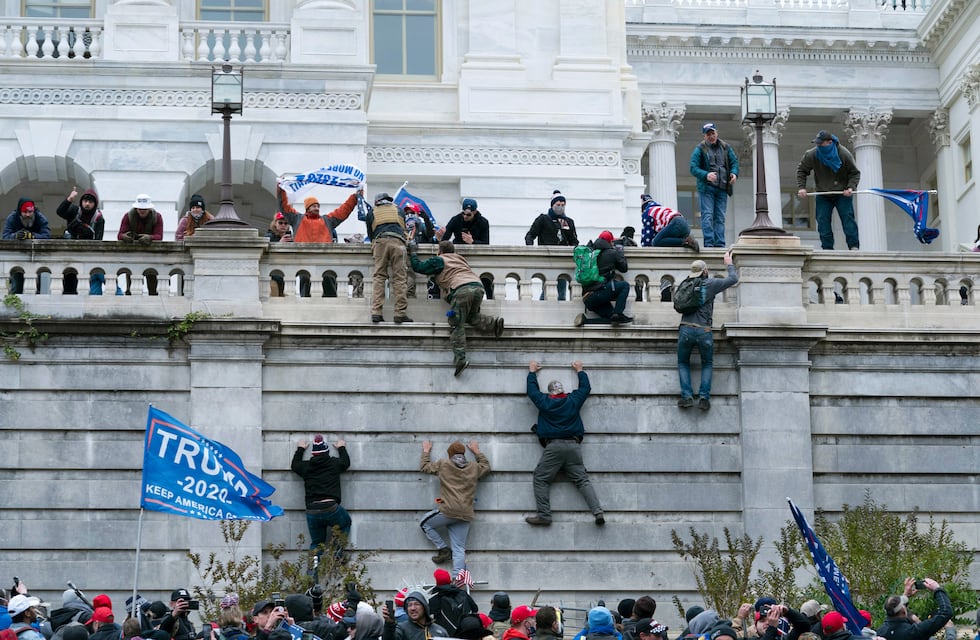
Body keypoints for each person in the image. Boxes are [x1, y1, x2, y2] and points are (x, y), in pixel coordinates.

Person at [525, 360, 604, 526]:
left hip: (553, 447)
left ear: (551, 393)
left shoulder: (545, 402)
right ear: (562, 391)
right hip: (574, 446)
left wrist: (532, 372)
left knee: (540, 478)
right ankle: (597, 512)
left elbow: (532, 392)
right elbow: (585, 389)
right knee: (582, 480)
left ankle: (545, 515)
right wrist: (580, 370)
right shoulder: (573, 400)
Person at [409, 240, 505, 375]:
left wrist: (413, 252)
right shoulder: (460, 259)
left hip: (461, 290)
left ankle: (460, 359)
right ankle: (494, 325)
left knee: (456, 322)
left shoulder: (440, 260)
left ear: (440, 251)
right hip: (478, 287)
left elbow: (419, 267)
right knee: (470, 316)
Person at [677, 251, 739, 411]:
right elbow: (733, 279)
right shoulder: (710, 284)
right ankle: (704, 398)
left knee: (683, 363)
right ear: (705, 271)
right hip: (704, 330)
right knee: (707, 363)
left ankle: (687, 397)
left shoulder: (685, 284)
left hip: (685, 328)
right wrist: (729, 263)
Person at [419, 439, 491, 573]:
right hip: (466, 514)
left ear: (449, 454)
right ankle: (458, 579)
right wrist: (476, 451)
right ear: (464, 453)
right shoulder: (474, 467)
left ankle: (443, 549)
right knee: (459, 548)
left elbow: (425, 467)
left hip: (448, 511)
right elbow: (486, 466)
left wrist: (426, 451)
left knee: (425, 523)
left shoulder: (444, 464)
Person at [277, 186, 361, 297]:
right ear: (307, 208)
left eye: (318, 206)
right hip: (304, 263)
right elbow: (284, 207)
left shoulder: (327, 220)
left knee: (330, 291)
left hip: (326, 263)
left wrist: (355, 197)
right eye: (313, 206)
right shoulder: (297, 219)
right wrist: (281, 189)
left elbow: (344, 210)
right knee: (306, 293)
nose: (317, 208)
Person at [291, 435, 352, 577]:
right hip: (331, 507)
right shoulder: (333, 463)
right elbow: (346, 463)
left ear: (313, 453)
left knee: (317, 543)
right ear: (326, 451)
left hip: (312, 510)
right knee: (345, 523)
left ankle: (312, 573)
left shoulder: (306, 467)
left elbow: (295, 465)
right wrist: (341, 447)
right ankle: (337, 551)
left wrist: (300, 449)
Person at [796, 130, 862, 251]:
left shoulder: (843, 154)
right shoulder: (812, 154)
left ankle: (853, 246)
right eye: (817, 143)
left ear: (830, 142)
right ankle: (827, 248)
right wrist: (802, 187)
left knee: (848, 219)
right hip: (823, 193)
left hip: (842, 193)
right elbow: (801, 170)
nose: (818, 146)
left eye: (821, 143)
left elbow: (854, 173)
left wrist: (851, 187)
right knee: (822, 221)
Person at [689, 123, 738, 248]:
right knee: (708, 216)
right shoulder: (700, 149)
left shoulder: (726, 147)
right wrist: (706, 175)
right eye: (708, 134)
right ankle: (709, 244)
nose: (711, 136)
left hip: (722, 188)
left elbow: (734, 162)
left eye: (713, 133)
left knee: (720, 217)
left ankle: (720, 244)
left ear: (717, 133)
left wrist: (734, 173)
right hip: (707, 188)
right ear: (704, 136)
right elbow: (693, 168)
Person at [365, 192, 411, 324]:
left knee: (379, 276)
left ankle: (376, 312)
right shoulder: (399, 210)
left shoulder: (372, 212)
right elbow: (403, 229)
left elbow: (371, 233)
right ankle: (399, 313)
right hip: (398, 242)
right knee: (400, 278)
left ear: (377, 202)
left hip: (380, 242)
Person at [525, 191, 578, 301]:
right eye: (558, 205)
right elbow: (530, 235)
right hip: (547, 258)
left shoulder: (568, 222)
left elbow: (573, 240)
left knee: (562, 290)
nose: (560, 208)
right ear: (552, 205)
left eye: (563, 205)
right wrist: (531, 249)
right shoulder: (544, 219)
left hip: (563, 260)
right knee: (548, 287)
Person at [574, 231, 632, 327]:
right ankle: (618, 313)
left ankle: (585, 321)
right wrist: (620, 252)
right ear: (610, 242)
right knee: (624, 286)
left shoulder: (590, 253)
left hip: (587, 298)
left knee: (611, 318)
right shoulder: (612, 253)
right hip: (600, 293)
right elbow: (624, 268)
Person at [878, 578, 952, 640]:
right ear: (903, 611)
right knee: (949, 628)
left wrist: (906, 595)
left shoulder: (880, 632)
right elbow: (945, 612)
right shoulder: (913, 632)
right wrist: (937, 589)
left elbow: (894, 610)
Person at [3, 198, 51, 294]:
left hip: (37, 256)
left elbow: (47, 236)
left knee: (37, 286)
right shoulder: (12, 218)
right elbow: (5, 236)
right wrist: (15, 235)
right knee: (17, 284)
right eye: (25, 212)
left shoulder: (40, 218)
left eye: (30, 212)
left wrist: (32, 236)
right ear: (20, 211)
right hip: (17, 256)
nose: (28, 215)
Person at [427, 569, 479, 637]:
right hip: (463, 634)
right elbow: (475, 608)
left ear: (437, 582)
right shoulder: (463, 594)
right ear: (450, 580)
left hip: (444, 636)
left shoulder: (434, 600)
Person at [381, 591, 449, 640]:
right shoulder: (402, 629)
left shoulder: (440, 631)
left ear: (424, 607)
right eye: (409, 605)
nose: (413, 608)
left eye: (416, 604)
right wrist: (389, 624)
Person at [266, 212, 293, 297]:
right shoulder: (269, 236)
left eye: (285, 223)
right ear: (275, 224)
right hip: (272, 275)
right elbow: (266, 250)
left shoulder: (290, 238)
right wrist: (279, 243)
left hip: (286, 276)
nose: (283, 225)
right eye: (280, 223)